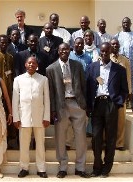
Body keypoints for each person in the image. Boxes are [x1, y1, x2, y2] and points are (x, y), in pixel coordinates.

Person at [46, 43, 90, 178]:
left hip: (77, 104)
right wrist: (53, 110)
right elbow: (51, 92)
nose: (64, 51)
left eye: (66, 49)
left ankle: (80, 167)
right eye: (61, 49)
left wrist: (84, 105)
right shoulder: (51, 69)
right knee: (60, 137)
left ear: (70, 51)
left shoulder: (77, 65)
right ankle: (63, 167)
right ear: (58, 51)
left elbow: (84, 85)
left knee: (81, 137)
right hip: (61, 106)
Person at [87, 42, 128, 178]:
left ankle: (106, 168)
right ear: (100, 52)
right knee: (96, 137)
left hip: (111, 104)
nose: (104, 54)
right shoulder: (92, 68)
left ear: (110, 52)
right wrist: (89, 105)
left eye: (106, 52)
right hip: (97, 104)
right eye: (102, 52)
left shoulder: (119, 69)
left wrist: (118, 103)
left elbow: (124, 90)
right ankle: (97, 167)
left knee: (110, 137)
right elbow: (88, 87)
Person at [13, 56, 50, 178]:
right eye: (29, 63)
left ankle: (41, 168)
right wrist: (16, 118)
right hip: (24, 116)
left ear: (37, 65)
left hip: (39, 116)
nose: (31, 65)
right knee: (24, 144)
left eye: (33, 63)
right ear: (25, 64)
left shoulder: (43, 79)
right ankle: (24, 167)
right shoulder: (18, 79)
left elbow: (47, 100)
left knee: (40, 144)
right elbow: (15, 100)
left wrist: (46, 117)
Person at [0, 35, 17, 149]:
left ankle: (10, 140)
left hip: (9, 90)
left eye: (6, 43)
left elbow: (12, 74)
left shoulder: (10, 57)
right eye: (1, 43)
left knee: (8, 115)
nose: (4, 45)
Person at [115, 17, 133, 113]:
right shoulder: (117, 36)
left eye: (127, 22)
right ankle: (123, 104)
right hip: (122, 64)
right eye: (123, 22)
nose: (125, 24)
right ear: (121, 24)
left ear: (131, 24)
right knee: (123, 83)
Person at [110, 38, 132, 151]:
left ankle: (119, 143)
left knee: (121, 120)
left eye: (116, 44)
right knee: (108, 120)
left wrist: (129, 92)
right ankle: (107, 142)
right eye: (112, 44)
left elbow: (128, 77)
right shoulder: (105, 58)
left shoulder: (125, 60)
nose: (115, 46)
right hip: (109, 95)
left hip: (121, 94)